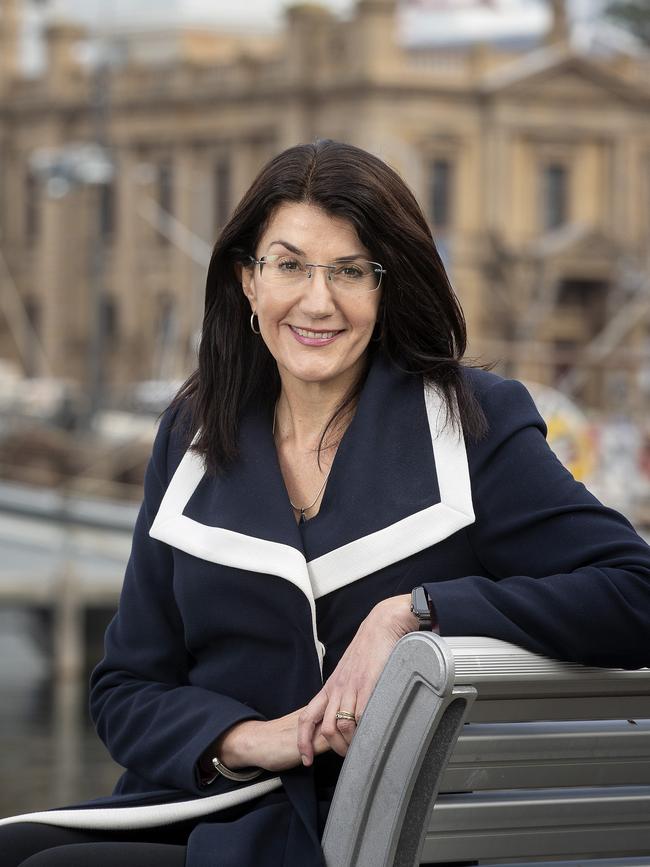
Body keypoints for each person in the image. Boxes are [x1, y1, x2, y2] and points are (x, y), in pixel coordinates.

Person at [1, 139, 649, 867]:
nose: (317, 300)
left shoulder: (468, 423)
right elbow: (126, 687)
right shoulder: (193, 432)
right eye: (289, 265)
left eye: (350, 271)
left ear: (388, 287)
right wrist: (247, 737)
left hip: (380, 832)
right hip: (209, 807)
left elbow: (636, 593)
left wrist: (417, 611)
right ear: (248, 281)